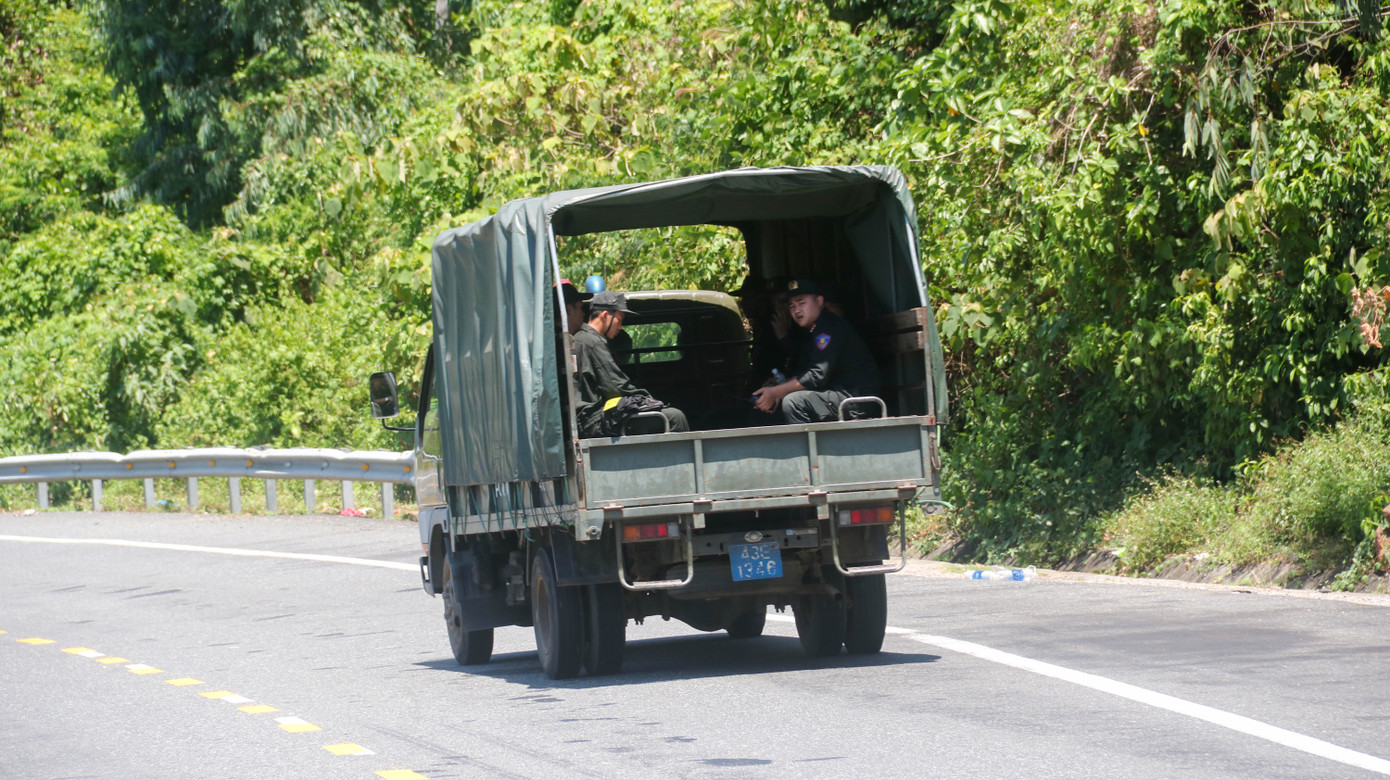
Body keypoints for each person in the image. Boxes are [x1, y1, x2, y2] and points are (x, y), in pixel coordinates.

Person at [752, 278, 880, 424]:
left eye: (801, 303)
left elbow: (816, 375)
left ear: (819, 302)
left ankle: (806, 447)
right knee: (771, 406)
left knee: (794, 402)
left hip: (855, 398)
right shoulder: (812, 330)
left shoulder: (829, 327)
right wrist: (778, 387)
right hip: (835, 393)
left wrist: (778, 391)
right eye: (792, 306)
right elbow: (804, 374)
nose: (797, 310)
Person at [573, 291, 690, 436]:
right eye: (619, 320)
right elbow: (615, 386)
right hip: (594, 421)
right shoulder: (591, 342)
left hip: (589, 419)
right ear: (605, 315)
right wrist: (648, 400)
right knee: (675, 417)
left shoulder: (582, 338)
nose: (620, 326)